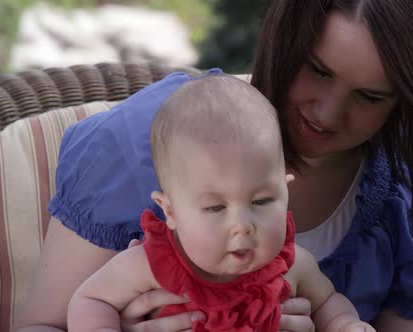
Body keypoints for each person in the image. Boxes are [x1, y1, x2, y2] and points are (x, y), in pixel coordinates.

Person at [15, 1, 413, 331]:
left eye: (369, 97)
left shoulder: (408, 192)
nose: (325, 114)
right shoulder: (137, 148)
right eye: (317, 71)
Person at [67, 74, 375, 332]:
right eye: (216, 208)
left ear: (285, 192)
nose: (242, 226)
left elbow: (327, 302)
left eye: (262, 200)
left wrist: (344, 323)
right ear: (171, 212)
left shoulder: (293, 265)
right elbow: (91, 300)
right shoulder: (150, 265)